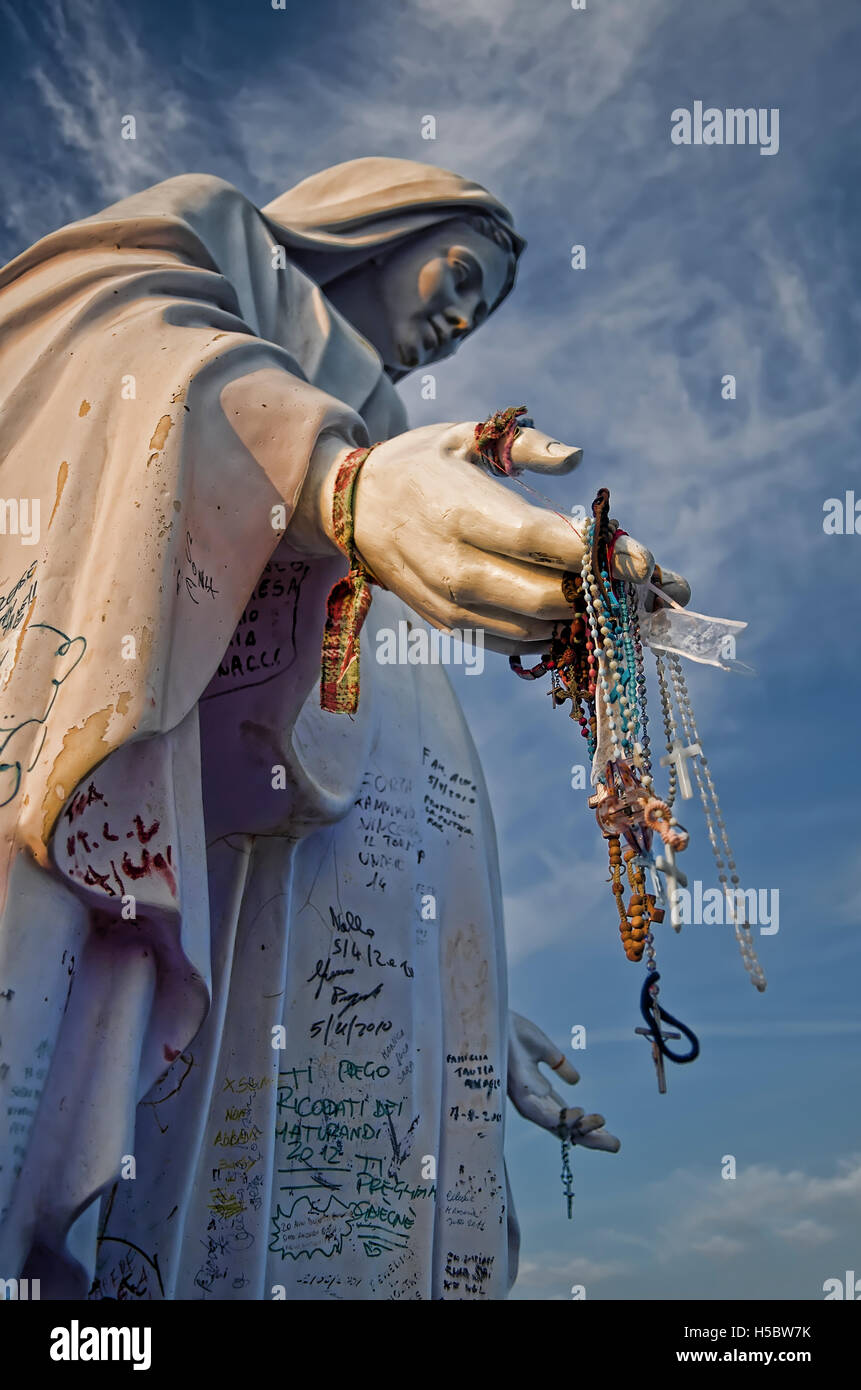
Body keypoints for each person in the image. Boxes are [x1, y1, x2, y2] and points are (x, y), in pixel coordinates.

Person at [0, 157, 685, 1300]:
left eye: (486, 311)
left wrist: (463, 991)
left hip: (350, 890)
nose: (463, 319)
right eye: (462, 272)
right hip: (226, 836)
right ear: (375, 225)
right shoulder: (223, 244)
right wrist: (336, 484)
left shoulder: (397, 439)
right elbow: (84, 338)